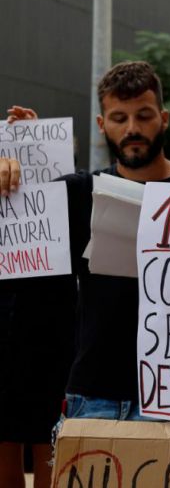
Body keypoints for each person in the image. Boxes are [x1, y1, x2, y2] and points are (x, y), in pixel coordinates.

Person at [6, 62, 170, 433]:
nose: (133, 128)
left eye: (144, 116)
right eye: (119, 118)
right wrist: (17, 157)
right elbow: (24, 217)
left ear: (164, 119)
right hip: (92, 397)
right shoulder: (79, 193)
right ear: (102, 124)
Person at [0, 107, 70, 488]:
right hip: (11, 327)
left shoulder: (66, 193)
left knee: (49, 450)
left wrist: (38, 147)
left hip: (49, 330)